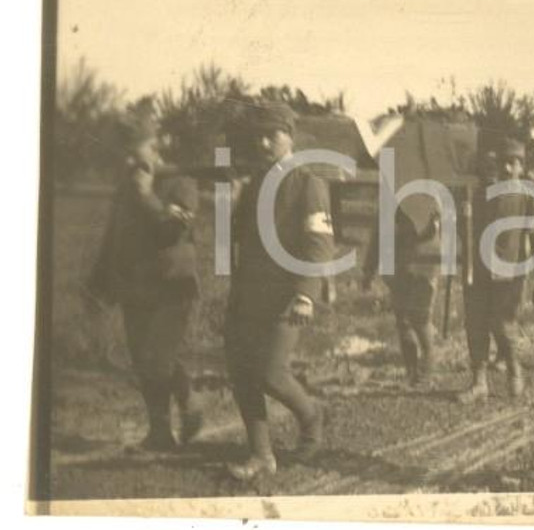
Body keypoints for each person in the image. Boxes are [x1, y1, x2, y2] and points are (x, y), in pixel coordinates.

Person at [224, 100, 335, 480]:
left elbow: (319, 242)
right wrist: (233, 201)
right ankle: (261, 455)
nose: (264, 142)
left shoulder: (307, 182)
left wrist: (306, 294)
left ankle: (311, 414)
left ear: (290, 136)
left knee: (271, 372)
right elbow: (234, 239)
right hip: (250, 294)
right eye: (258, 135)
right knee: (241, 371)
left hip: (287, 296)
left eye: (273, 134)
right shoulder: (255, 183)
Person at [86, 115, 202, 452]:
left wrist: (148, 195)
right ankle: (160, 432)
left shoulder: (180, 182)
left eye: (134, 155)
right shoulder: (126, 186)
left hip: (172, 286)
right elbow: (114, 237)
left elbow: (174, 231)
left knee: (157, 357)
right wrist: (98, 283)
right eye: (124, 156)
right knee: (144, 360)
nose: (128, 163)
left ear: (153, 148)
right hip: (135, 287)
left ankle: (189, 399)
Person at [457, 138, 534, 402]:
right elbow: (467, 234)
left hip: (511, 275)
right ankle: (479, 382)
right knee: (475, 325)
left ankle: (515, 368)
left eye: (513, 163)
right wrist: (462, 215)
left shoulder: (530, 197)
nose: (507, 169)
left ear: (521, 166)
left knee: (503, 325)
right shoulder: (480, 195)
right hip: (479, 273)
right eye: (503, 163)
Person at [362, 206, 442, 388]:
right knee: (403, 321)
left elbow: (444, 227)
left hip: (424, 265)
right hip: (399, 266)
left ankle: (426, 374)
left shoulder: (428, 195)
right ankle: (412, 374)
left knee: (420, 320)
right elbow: (377, 236)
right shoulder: (389, 202)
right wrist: (369, 270)